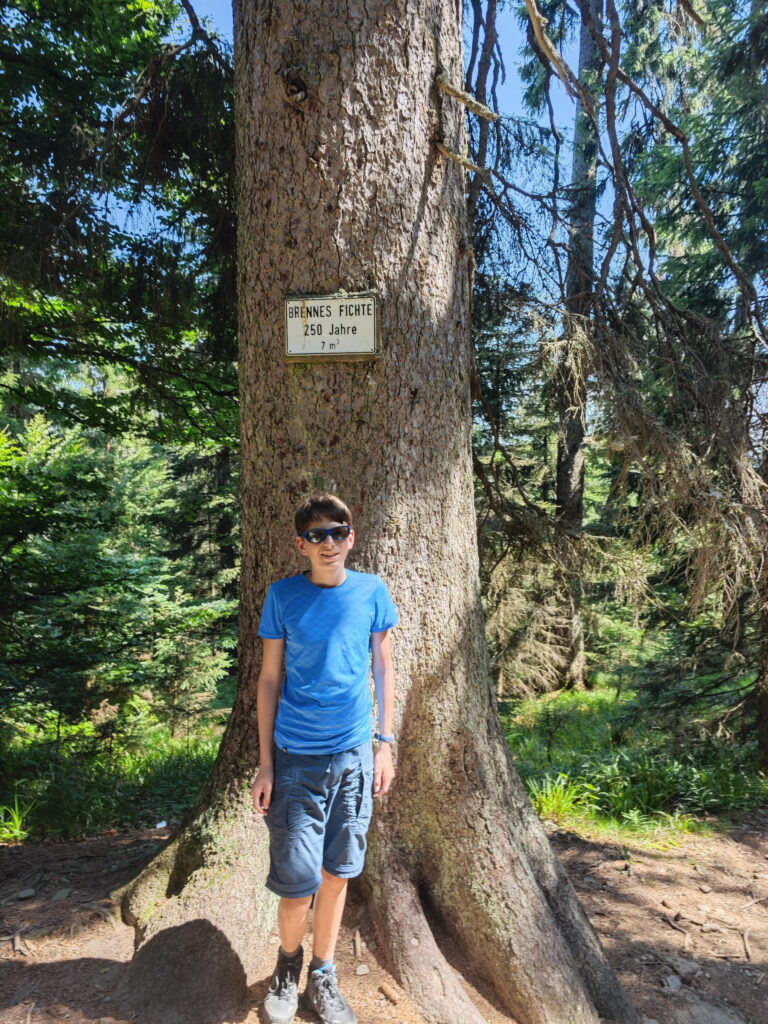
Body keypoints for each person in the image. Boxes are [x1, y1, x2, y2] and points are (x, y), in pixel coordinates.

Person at [251, 492, 397, 1024]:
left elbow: (383, 669)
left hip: (356, 757)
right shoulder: (282, 597)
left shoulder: (372, 592)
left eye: (337, 533)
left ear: (351, 538)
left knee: (338, 872)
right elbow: (269, 680)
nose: (328, 543)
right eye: (316, 536)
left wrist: (386, 743)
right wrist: (265, 763)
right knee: (297, 880)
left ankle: (324, 973)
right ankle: (286, 969)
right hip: (294, 759)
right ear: (301, 545)